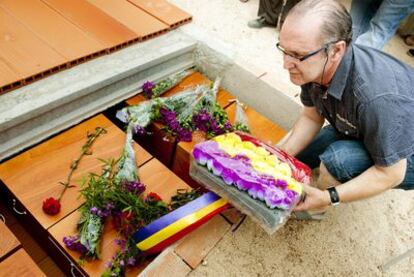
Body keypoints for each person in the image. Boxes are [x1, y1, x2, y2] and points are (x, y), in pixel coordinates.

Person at [275, 0, 414, 219]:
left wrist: (330, 196)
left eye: (297, 55)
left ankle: (318, 207)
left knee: (337, 160)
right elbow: (312, 117)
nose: (286, 63)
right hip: (370, 123)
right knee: (295, 156)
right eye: (284, 50)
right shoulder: (311, 65)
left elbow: (392, 173)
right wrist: (279, 156)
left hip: (406, 152)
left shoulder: (376, 98)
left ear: (336, 50)